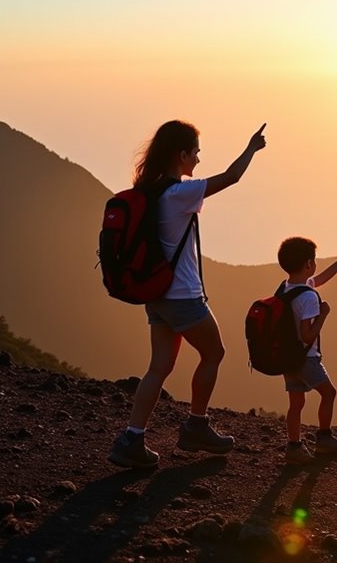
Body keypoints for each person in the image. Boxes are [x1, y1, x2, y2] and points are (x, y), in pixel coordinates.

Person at [108, 120, 266, 469]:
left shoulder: (150, 191)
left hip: (158, 295)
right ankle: (196, 425)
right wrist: (251, 149)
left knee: (159, 366)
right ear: (181, 155)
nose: (198, 158)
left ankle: (132, 438)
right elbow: (231, 177)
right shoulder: (179, 194)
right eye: (195, 152)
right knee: (215, 352)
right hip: (182, 296)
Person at [276, 237, 337, 465]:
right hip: (306, 358)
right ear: (308, 264)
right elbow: (308, 335)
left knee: (296, 403)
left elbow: (320, 279)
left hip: (287, 357)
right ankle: (324, 438)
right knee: (329, 393)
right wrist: (323, 314)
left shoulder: (286, 288)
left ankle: (293, 446)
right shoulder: (309, 297)